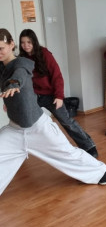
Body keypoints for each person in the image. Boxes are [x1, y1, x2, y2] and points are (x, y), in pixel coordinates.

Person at [0, 28, 106, 197]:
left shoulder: (22, 62)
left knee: (66, 152)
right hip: (15, 130)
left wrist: (14, 83)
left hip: (38, 127)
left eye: (1, 48)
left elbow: (20, 74)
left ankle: (100, 171)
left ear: (11, 44)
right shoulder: (2, 67)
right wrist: (9, 102)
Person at [18, 29, 98, 158]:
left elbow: (57, 76)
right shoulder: (21, 59)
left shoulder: (44, 54)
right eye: (23, 42)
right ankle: (21, 151)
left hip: (50, 95)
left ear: (34, 42)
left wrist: (59, 96)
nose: (26, 45)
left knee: (67, 122)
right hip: (33, 96)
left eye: (29, 42)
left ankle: (89, 146)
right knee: (23, 121)